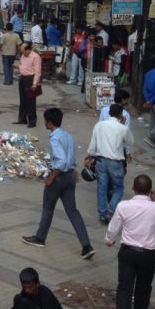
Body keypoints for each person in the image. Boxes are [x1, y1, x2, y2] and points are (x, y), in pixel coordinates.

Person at [106, 174, 155, 309]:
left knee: (124, 289)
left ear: (133, 189)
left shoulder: (124, 206)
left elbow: (113, 227)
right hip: (148, 255)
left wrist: (109, 240)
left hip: (127, 252)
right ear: (150, 191)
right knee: (144, 286)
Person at [22, 108, 95, 256]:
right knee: (73, 211)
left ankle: (40, 238)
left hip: (59, 177)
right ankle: (86, 245)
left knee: (48, 208)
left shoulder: (55, 138)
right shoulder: (68, 136)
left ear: (49, 122)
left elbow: (61, 161)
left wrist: (51, 177)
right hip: (70, 177)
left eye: (45, 121)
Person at [87, 103, 135, 224]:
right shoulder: (122, 128)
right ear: (120, 115)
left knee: (101, 187)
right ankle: (111, 209)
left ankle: (102, 215)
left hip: (100, 161)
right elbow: (131, 141)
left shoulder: (99, 125)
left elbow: (93, 145)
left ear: (109, 113)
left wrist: (89, 156)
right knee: (118, 187)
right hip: (115, 162)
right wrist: (123, 124)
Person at [14, 43, 42, 127]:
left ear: (28, 50)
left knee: (30, 101)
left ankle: (32, 121)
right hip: (23, 78)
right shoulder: (23, 55)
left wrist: (34, 84)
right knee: (22, 99)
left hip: (30, 79)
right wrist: (18, 67)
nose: (23, 54)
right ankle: (22, 119)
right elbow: (23, 65)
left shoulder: (35, 57)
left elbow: (38, 72)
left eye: (23, 52)